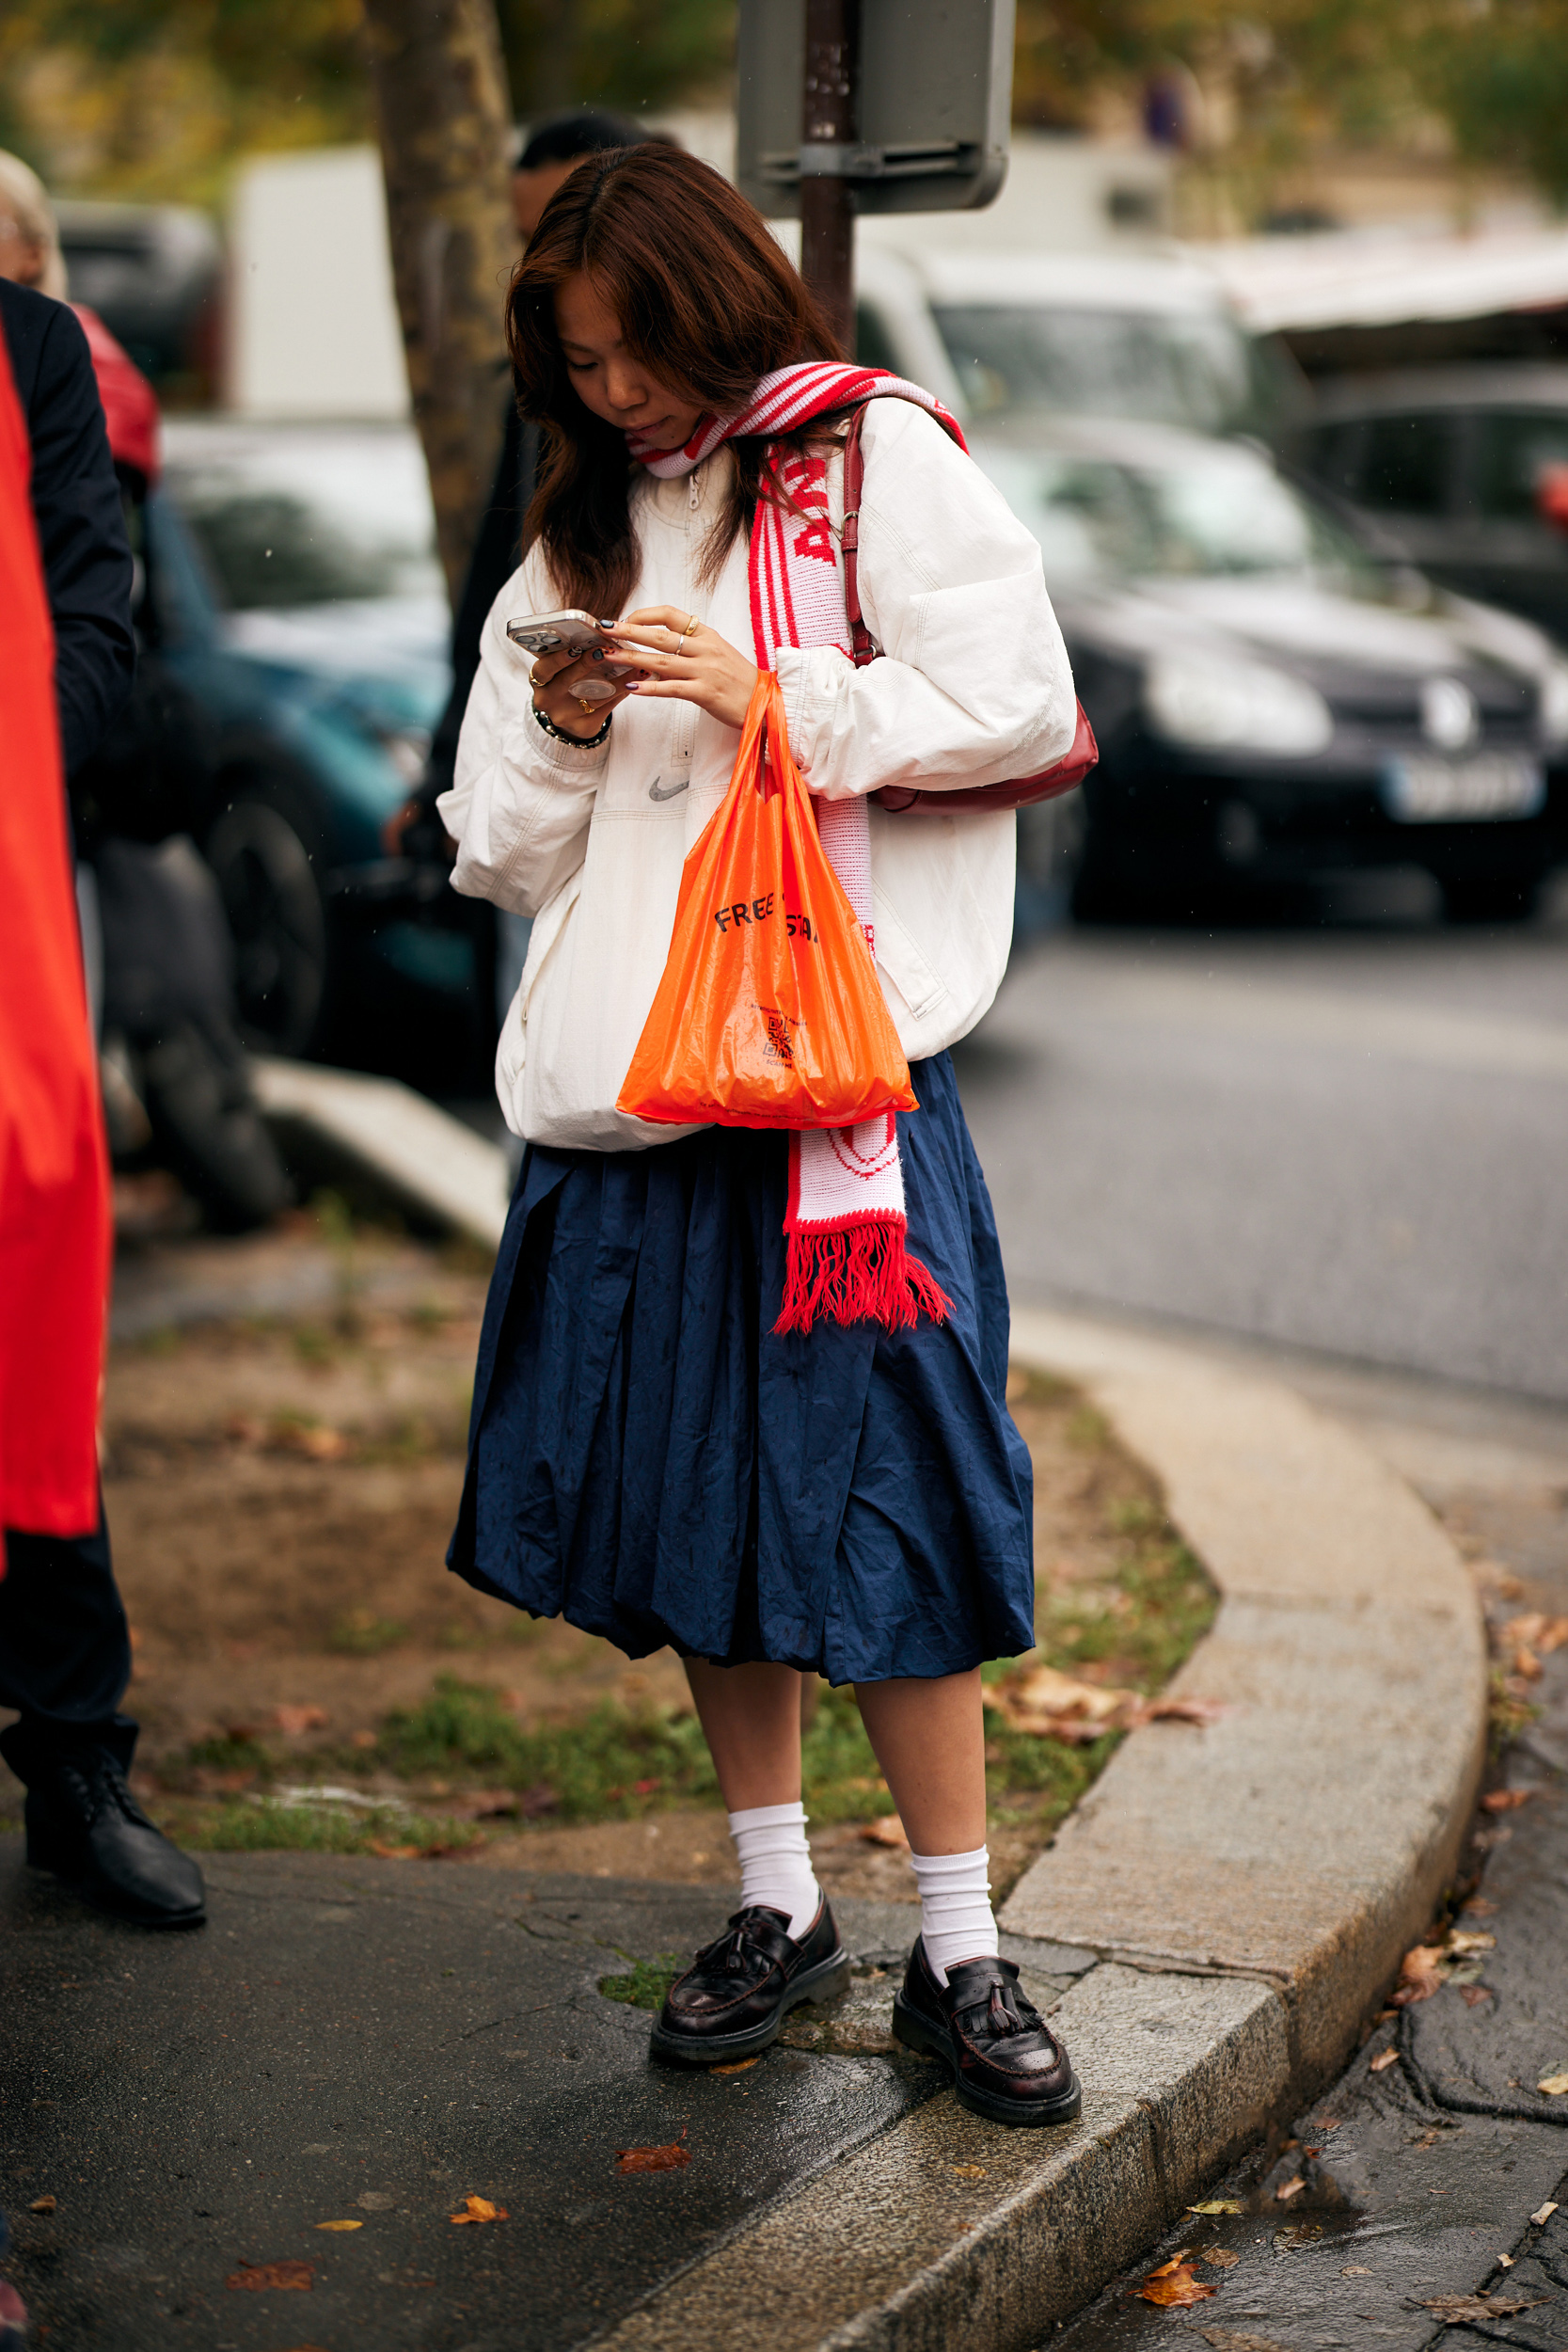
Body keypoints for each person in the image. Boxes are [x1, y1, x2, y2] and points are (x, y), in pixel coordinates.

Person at [438, 146, 1084, 2126]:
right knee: (706, 1527)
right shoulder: (577, 533)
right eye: (579, 364)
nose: (616, 395)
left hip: (826, 1106)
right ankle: (775, 1898)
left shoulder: (865, 458)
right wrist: (555, 722)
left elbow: (1015, 701)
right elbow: (493, 849)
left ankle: (962, 1946)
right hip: (639, 1105)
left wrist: (768, 694)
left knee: (896, 1507)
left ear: (711, 301)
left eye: (633, 353)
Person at [0, 161, 205, 1930]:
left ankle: (79, 1768)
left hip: (6, 909)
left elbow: (93, 624)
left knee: (31, 1319)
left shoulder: (34, 357)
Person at [384, 110, 656, 1044]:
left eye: (565, 227)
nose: (542, 259)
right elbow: (493, 595)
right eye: (527, 233)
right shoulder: (545, 391)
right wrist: (444, 769)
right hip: (541, 783)